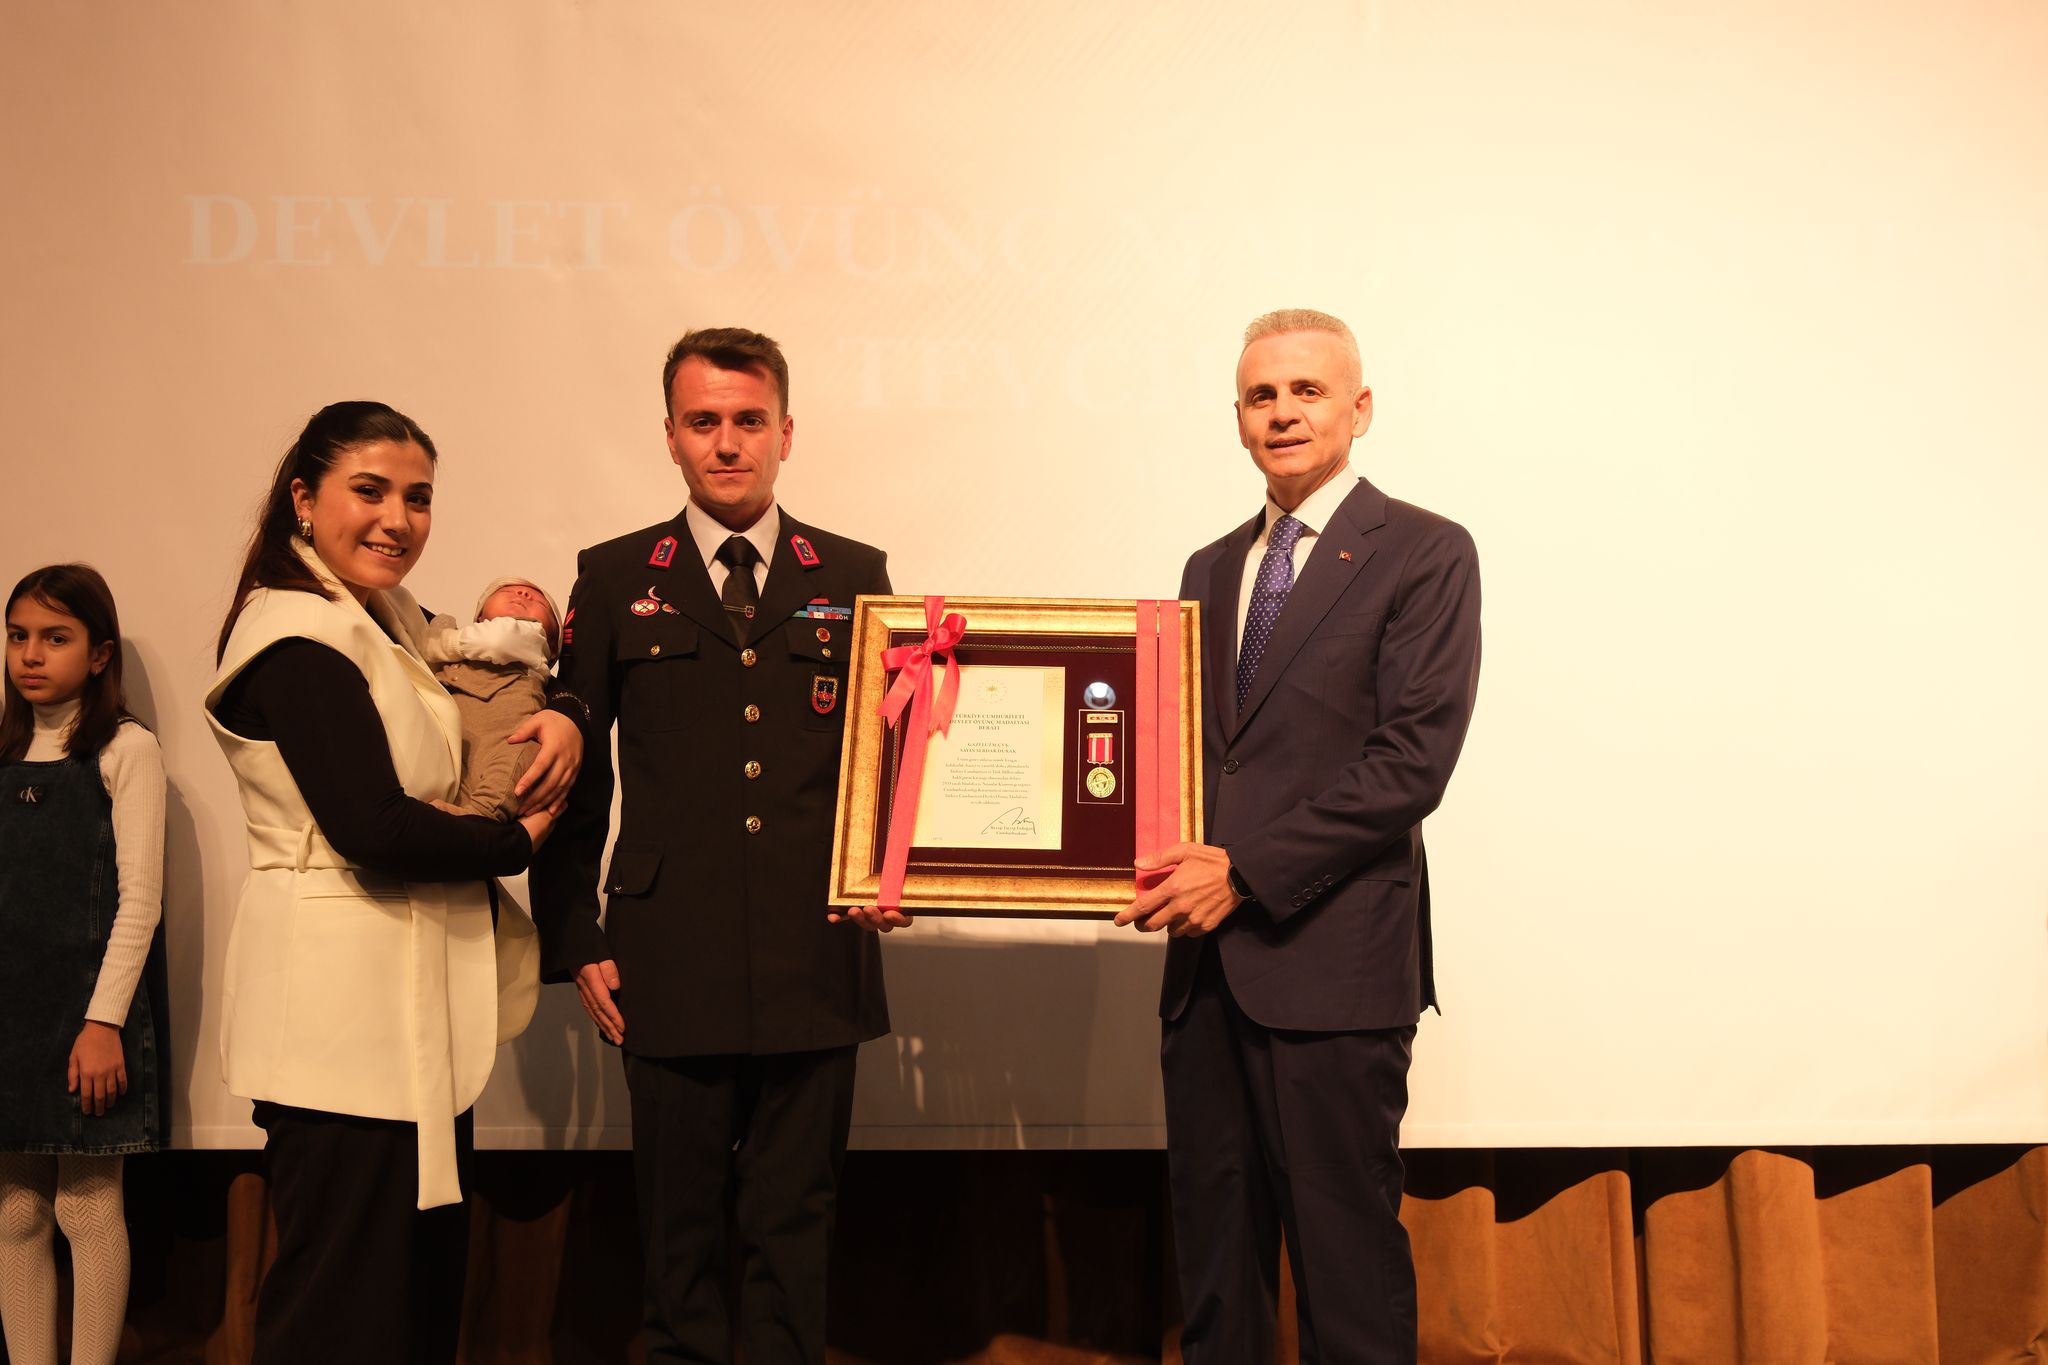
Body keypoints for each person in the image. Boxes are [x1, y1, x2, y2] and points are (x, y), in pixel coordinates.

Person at [1115, 309, 1482, 1364]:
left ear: (1358, 409)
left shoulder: (1426, 551)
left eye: (1306, 391)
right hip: (1202, 975)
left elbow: (1411, 762)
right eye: (1261, 395)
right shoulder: (1207, 567)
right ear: (1237, 417)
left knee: (1345, 1273)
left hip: (1333, 970)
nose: (1282, 412)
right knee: (1217, 1274)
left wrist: (1244, 872)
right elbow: (1187, 758)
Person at [532, 327, 891, 1365]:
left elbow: (896, 752)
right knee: (676, 1237)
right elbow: (574, 774)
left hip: (815, 947)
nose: (726, 443)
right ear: (670, 436)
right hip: (665, 954)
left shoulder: (855, 572)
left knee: (794, 1230)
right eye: (703, 422)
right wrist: (574, 931)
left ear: (786, 432)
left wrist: (906, 864)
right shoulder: (611, 576)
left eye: (747, 421)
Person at [204, 400, 583, 1365]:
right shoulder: (295, 634)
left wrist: (569, 710)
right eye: (369, 491)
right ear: (303, 497)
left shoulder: (387, 617)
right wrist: (515, 839)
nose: (398, 519)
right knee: (341, 1311)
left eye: (418, 498)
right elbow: (373, 826)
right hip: (337, 1026)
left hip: (407, 1020)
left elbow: (504, 666)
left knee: (410, 1304)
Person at [0, 564, 166, 1365]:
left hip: (89, 1015)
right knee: (15, 1213)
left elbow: (141, 901)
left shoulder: (125, 749)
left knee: (88, 1206)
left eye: (55, 637)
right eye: (18, 636)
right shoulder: (2, 751)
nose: (31, 654)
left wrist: (102, 1023)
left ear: (99, 654)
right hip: (12, 1010)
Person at [420, 575, 564, 819]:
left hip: (509, 735)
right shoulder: (463, 654)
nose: (523, 594)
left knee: (517, 764)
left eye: (540, 601)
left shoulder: (531, 635)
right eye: (507, 590)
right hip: (459, 736)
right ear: (479, 618)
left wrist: (442, 636)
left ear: (551, 647)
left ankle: (480, 815)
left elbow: (499, 639)